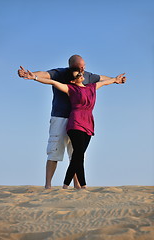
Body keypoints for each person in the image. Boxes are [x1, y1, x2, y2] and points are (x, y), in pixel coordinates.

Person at [18, 55, 126, 189]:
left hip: (81, 121)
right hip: (60, 117)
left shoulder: (88, 76)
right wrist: (32, 75)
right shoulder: (60, 74)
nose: (83, 69)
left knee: (77, 154)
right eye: (80, 67)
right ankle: (48, 186)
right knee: (54, 151)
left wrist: (116, 80)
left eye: (84, 66)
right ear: (72, 66)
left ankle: (77, 186)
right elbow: (46, 76)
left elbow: (102, 79)